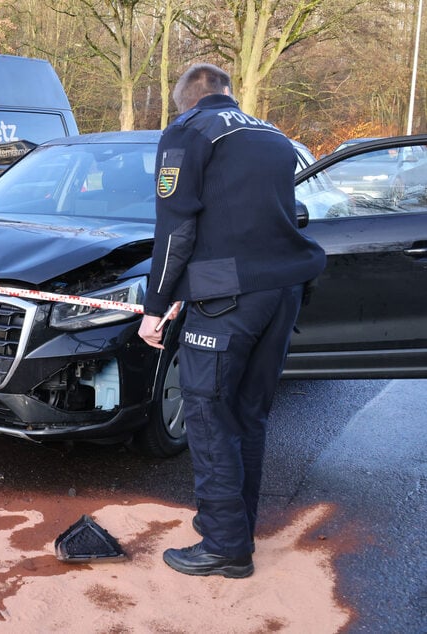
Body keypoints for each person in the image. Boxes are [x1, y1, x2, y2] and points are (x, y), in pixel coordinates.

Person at [138, 64, 326, 578]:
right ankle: (237, 527)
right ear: (228, 93)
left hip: (226, 299)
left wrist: (156, 307)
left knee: (205, 412)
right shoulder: (273, 135)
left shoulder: (187, 132)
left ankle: (225, 546)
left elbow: (175, 228)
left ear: (187, 100)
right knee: (248, 413)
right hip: (283, 289)